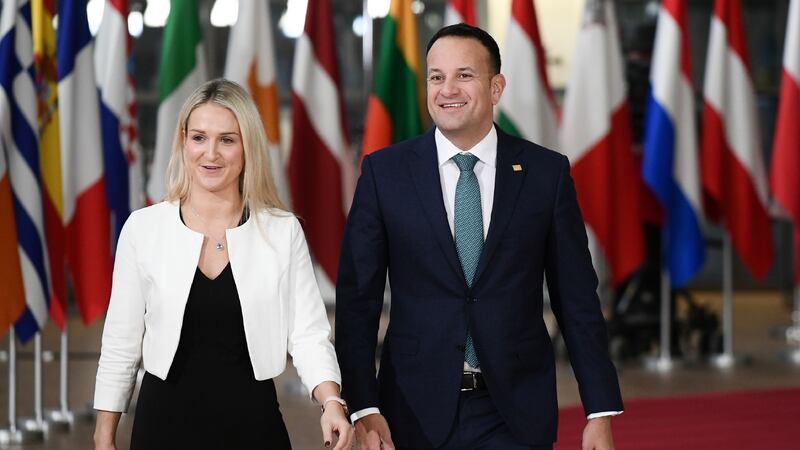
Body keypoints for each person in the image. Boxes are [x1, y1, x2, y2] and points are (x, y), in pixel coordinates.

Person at [335, 24, 623, 450]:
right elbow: (358, 301)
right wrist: (362, 406)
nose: (447, 89)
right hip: (412, 410)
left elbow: (577, 297)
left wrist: (599, 410)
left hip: (514, 410)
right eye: (436, 77)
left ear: (496, 87)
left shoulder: (546, 174)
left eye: (464, 75)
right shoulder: (385, 174)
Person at [93, 79, 352, 450]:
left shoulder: (282, 231)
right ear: (183, 142)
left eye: (227, 140)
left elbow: (308, 334)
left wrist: (331, 402)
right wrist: (104, 437)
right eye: (199, 137)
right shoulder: (144, 229)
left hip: (254, 426)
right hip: (162, 428)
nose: (210, 153)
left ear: (248, 147)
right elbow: (121, 343)